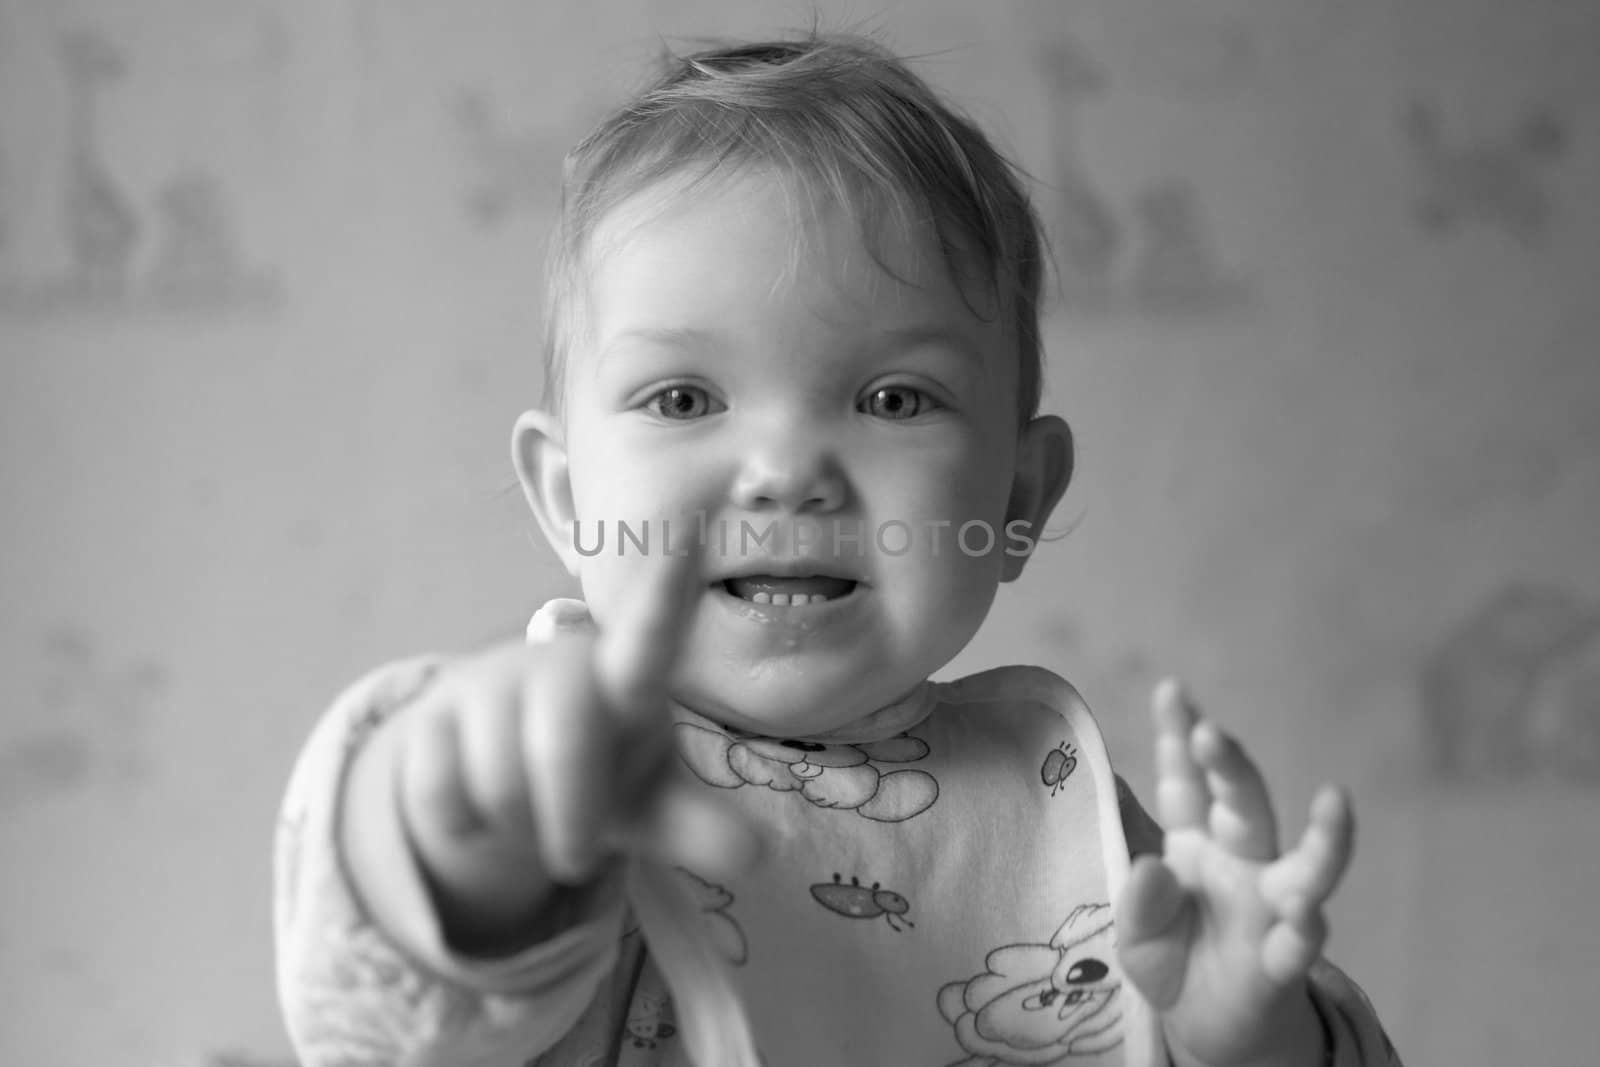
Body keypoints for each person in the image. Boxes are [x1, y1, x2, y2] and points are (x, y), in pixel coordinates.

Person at [274, 32, 1402, 1067]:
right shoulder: (564, 771)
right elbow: (385, 1006)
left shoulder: (1061, 809)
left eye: (893, 396)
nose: (784, 468)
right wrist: (447, 820)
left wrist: (1252, 1034)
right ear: (567, 498)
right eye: (682, 395)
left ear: (1017, 496)